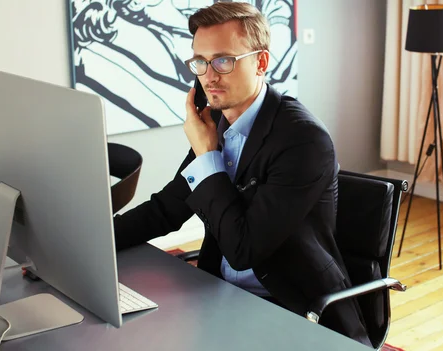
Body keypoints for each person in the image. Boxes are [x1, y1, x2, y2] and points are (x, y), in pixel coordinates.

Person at [113, 2, 372, 347]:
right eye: (200, 62)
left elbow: (243, 249)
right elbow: (167, 209)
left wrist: (207, 155)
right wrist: (91, 242)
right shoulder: (217, 126)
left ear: (261, 63)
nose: (209, 76)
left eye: (223, 60)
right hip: (221, 295)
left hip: (293, 308)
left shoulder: (304, 140)